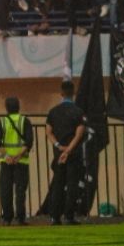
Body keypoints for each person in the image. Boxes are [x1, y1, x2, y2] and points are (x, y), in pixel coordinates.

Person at [45, 81, 86, 225]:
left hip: (58, 154)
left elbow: (48, 132)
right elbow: (79, 133)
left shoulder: (53, 112)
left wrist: (59, 146)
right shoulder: (78, 112)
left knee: (58, 184)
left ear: (61, 94)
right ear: (73, 93)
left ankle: (54, 217)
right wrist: (69, 150)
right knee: (72, 185)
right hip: (74, 155)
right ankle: (69, 216)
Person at [0, 97, 34, 225]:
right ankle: (21, 218)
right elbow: (29, 142)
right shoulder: (25, 121)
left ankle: (7, 218)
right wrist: (18, 156)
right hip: (21, 161)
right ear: (19, 106)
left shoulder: (2, 122)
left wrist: (7, 157)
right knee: (20, 190)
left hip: (5, 162)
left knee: (6, 190)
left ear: (6, 107)